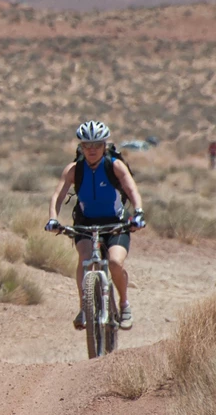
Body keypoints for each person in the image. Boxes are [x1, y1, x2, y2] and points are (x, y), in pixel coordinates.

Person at [45, 121, 145, 331]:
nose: (91, 150)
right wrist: (53, 218)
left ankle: (124, 304)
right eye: (86, 145)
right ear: (80, 147)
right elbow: (57, 195)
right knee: (85, 258)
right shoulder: (74, 169)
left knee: (115, 263)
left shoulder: (115, 165)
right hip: (86, 222)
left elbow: (132, 190)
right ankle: (85, 308)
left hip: (116, 222)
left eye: (97, 145)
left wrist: (138, 214)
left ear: (104, 146)